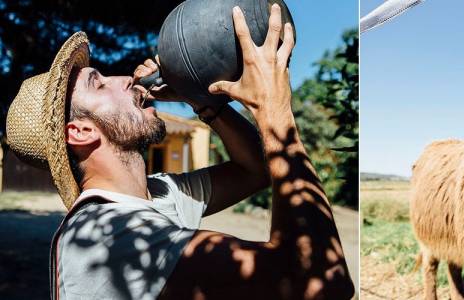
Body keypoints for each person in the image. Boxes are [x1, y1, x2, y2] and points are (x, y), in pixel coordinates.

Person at [5, 4, 354, 299]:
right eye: (98, 83)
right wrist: (275, 109)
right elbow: (320, 281)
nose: (126, 79)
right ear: (80, 131)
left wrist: (202, 102)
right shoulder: (107, 237)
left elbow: (256, 170)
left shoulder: (156, 195)